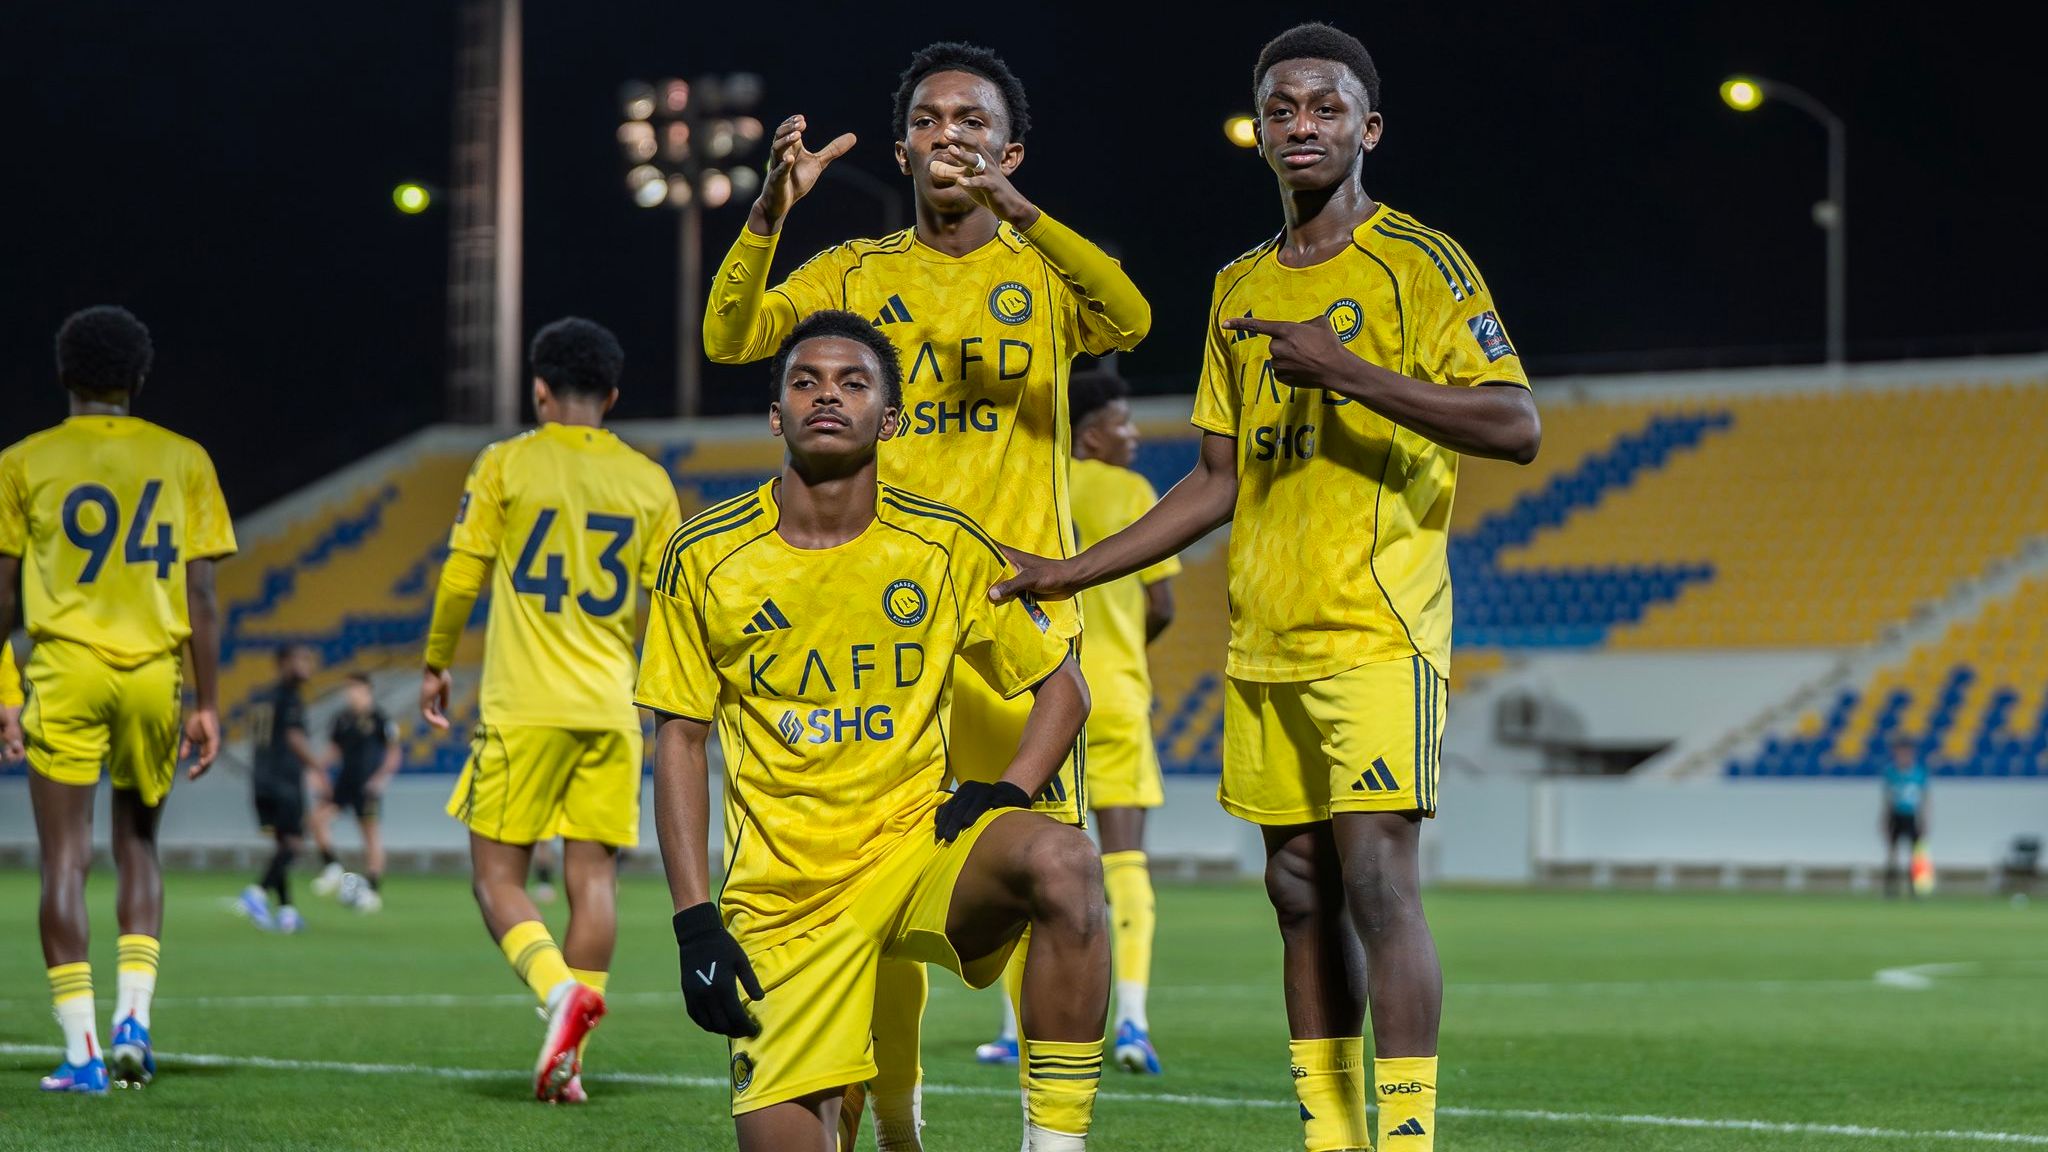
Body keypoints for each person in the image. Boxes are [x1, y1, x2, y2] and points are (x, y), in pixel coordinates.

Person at [994, 24, 1541, 1151]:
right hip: (1265, 640)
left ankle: (1404, 1139)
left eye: (1325, 108)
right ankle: (1328, 1135)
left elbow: (1513, 424)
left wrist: (1345, 371)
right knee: (1295, 896)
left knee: (1378, 886)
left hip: (1377, 629)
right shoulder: (1236, 287)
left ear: (1367, 128)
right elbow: (1213, 481)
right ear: (1261, 132)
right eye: (1281, 109)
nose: (1302, 126)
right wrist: (1069, 570)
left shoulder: (1421, 265)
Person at [701, 42, 1148, 1145]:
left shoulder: (1043, 272)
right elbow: (729, 337)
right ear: (900, 145)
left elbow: (1130, 318)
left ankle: (1051, 1137)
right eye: (931, 119)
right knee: (870, 899)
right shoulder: (851, 273)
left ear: (1009, 146)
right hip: (879, 639)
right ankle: (898, 1126)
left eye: (973, 121)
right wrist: (767, 214)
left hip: (1009, 636)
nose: (950, 134)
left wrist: (1020, 210)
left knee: (1051, 881)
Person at [640, 311, 1108, 1152]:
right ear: (775, 414)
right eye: (806, 381)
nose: (828, 395)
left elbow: (1063, 690)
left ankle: (1055, 1145)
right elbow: (677, 737)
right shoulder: (703, 555)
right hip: (786, 902)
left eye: (854, 383)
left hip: (914, 849)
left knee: (1065, 858)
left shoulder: (942, 544)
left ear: (889, 420)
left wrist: (1008, 791)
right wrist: (692, 921)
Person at [420, 316, 682, 1102]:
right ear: (611, 395)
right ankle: (571, 1064)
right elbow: (668, 606)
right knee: (592, 881)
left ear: (538, 391)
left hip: (523, 705)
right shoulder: (648, 481)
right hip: (610, 707)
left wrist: (436, 662)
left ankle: (558, 992)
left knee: (496, 879)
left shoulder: (507, 462)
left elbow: (463, 575)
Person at [0, 305, 234, 1092]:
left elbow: (2, 598)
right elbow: (203, 594)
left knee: (64, 859)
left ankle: (83, 1052)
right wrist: (209, 702)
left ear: (65, 374)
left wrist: (3, 685)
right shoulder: (185, 458)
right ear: (138, 378)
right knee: (140, 844)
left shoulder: (24, 462)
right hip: (153, 674)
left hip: (65, 669)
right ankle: (136, 1017)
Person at [979, 370, 1178, 1073]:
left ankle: (1012, 1028)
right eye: (1123, 423)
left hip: (1041, 695)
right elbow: (1163, 606)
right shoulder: (1131, 493)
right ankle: (1131, 1020)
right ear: (1092, 431)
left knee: (1028, 856)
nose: (1134, 435)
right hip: (1117, 694)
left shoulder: (1037, 487)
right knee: (1124, 859)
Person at [240, 643, 319, 933]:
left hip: (260, 779)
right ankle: (257, 893)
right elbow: (294, 737)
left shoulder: (264, 698)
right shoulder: (290, 698)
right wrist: (318, 768)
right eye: (302, 659)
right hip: (284, 780)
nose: (308, 665)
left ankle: (286, 912)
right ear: (285, 663)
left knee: (283, 844)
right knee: (295, 844)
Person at [310, 672, 402, 911]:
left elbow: (393, 753)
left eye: (355, 689)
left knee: (370, 836)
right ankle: (333, 867)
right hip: (344, 783)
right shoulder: (341, 719)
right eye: (347, 690)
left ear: (367, 691)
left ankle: (372, 889)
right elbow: (333, 750)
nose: (350, 694)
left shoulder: (380, 719)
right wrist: (316, 770)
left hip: (367, 787)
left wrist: (381, 779)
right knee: (317, 820)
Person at [1881, 736, 1931, 899]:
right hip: (1896, 816)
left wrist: (1924, 820)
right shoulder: (1890, 772)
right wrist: (1884, 820)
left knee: (1915, 854)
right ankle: (1891, 889)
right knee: (1892, 854)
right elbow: (1887, 799)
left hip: (1912, 816)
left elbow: (1924, 799)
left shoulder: (1919, 773)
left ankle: (1914, 889)